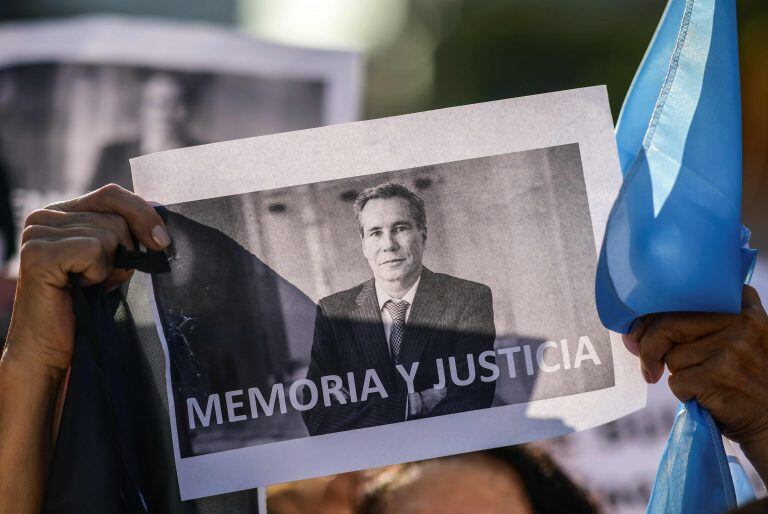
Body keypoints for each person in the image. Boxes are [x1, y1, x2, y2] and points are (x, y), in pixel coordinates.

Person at [302, 182, 496, 435]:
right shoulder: (333, 310)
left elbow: (472, 400)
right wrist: (415, 403)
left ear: (423, 234)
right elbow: (317, 415)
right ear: (363, 245)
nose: (389, 244)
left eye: (400, 228)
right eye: (375, 233)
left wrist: (366, 414)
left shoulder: (468, 297)